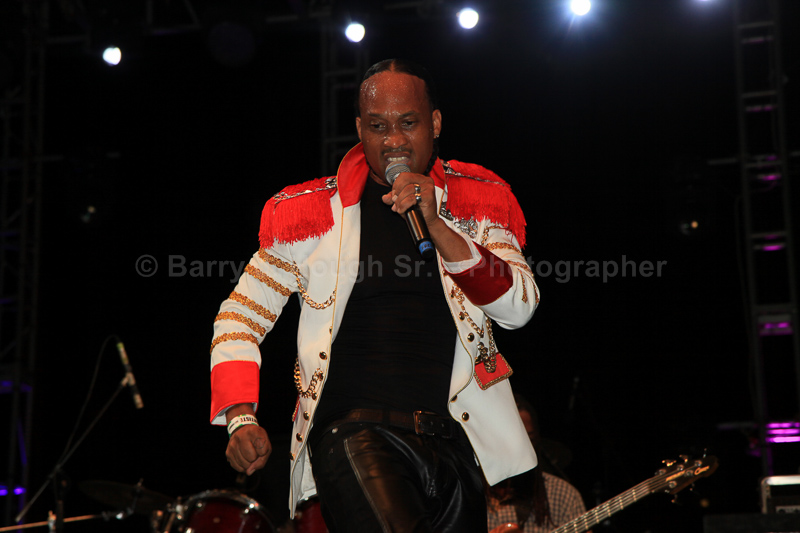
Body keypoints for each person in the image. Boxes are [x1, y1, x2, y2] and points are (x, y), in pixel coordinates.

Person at [209, 58, 540, 532]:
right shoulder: (308, 216)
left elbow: (519, 307)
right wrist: (241, 416)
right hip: (354, 431)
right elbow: (238, 318)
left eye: (408, 123)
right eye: (379, 126)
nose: (394, 141)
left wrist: (439, 227)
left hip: (456, 440)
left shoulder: (479, 202)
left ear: (435, 123)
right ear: (360, 130)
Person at [486, 396, 588, 533]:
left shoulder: (564, 495)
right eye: (512, 440)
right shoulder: (472, 497)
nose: (522, 448)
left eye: (529, 439)